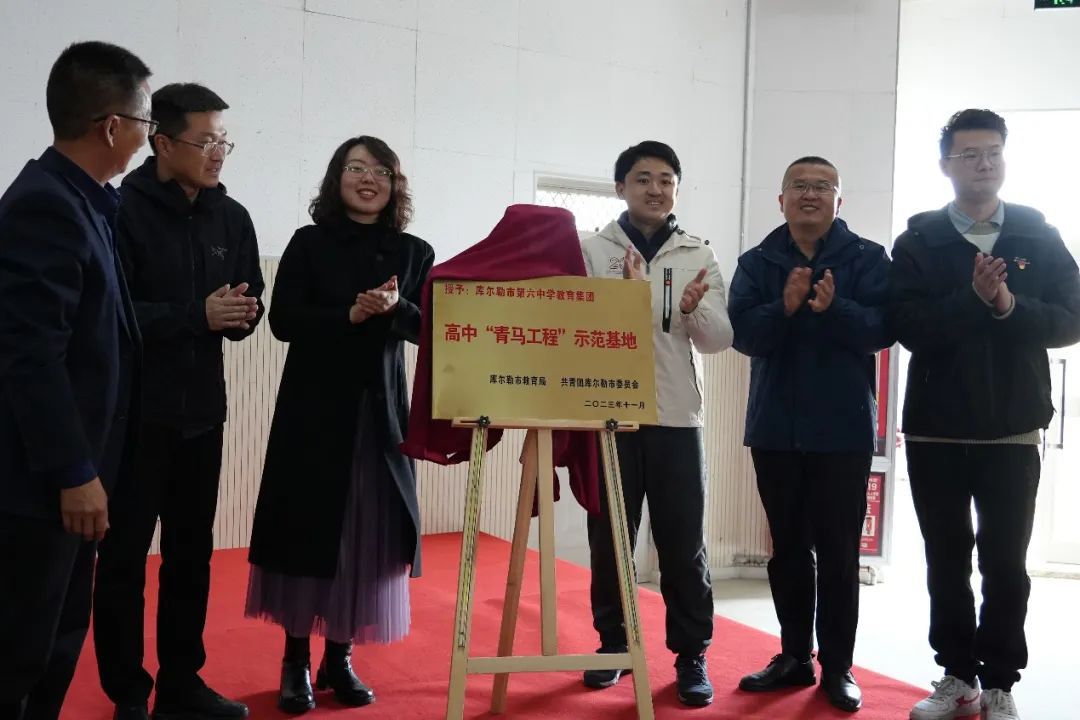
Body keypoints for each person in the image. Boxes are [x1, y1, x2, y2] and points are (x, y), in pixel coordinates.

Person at [892, 109, 1080, 720]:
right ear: (945, 164)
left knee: (1005, 564)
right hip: (936, 429)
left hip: (1012, 426)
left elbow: (1071, 318)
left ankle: (1000, 682)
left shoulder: (1037, 234)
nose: (983, 163)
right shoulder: (919, 240)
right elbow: (908, 326)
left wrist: (1007, 305)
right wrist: (971, 299)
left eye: (993, 152)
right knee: (946, 561)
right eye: (969, 154)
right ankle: (957, 677)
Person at [245, 136, 434, 714]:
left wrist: (396, 310)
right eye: (356, 168)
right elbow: (283, 321)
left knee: (366, 538)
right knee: (306, 532)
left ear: (395, 185)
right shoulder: (308, 242)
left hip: (379, 414)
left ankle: (340, 657)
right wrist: (348, 314)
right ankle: (295, 660)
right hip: (313, 411)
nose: (368, 179)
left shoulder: (414, 251)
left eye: (381, 171)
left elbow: (430, 328)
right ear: (336, 178)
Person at [92, 83, 263, 720]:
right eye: (206, 140)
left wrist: (241, 315)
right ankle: (127, 694)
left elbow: (249, 299)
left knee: (192, 557)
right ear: (162, 143)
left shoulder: (232, 216)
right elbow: (111, 315)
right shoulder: (121, 211)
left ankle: (182, 684)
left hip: (202, 415)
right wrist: (196, 315)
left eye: (224, 141)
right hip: (134, 417)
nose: (218, 152)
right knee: (124, 559)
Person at [0, 41, 150, 720]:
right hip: (41, 487)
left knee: (57, 640)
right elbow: (31, 355)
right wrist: (73, 471)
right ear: (112, 126)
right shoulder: (47, 206)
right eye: (146, 121)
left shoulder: (87, 201)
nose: (148, 136)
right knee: (20, 651)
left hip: (74, 478)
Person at [728, 156, 893, 712]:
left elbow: (884, 329)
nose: (810, 194)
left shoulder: (868, 258)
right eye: (799, 185)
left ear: (838, 201)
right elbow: (743, 336)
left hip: (843, 431)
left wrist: (833, 308)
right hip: (775, 429)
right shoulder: (757, 262)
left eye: (822, 186)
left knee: (840, 555)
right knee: (789, 551)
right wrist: (785, 307)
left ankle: (838, 667)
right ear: (781, 200)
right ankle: (794, 656)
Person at [578, 140, 733, 707]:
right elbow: (572, 327)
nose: (655, 189)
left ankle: (691, 655)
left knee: (683, 544)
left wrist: (692, 308)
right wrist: (617, 302)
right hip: (609, 417)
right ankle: (614, 647)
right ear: (621, 187)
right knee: (609, 541)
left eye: (666, 180)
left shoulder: (698, 253)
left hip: (675, 417)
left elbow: (718, 340)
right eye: (643, 178)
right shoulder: (590, 250)